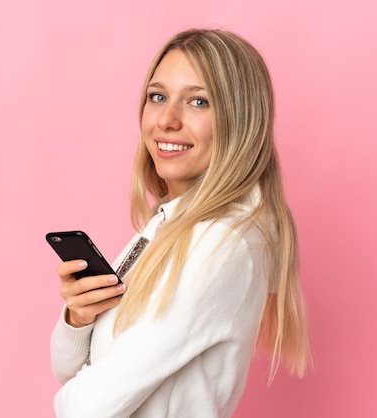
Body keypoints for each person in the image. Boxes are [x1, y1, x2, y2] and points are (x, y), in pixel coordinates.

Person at [49, 28, 310, 417]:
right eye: (158, 97)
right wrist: (79, 318)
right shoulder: (165, 223)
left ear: (240, 122)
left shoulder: (220, 244)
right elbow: (65, 368)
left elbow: (84, 408)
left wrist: (84, 381)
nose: (167, 120)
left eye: (198, 102)